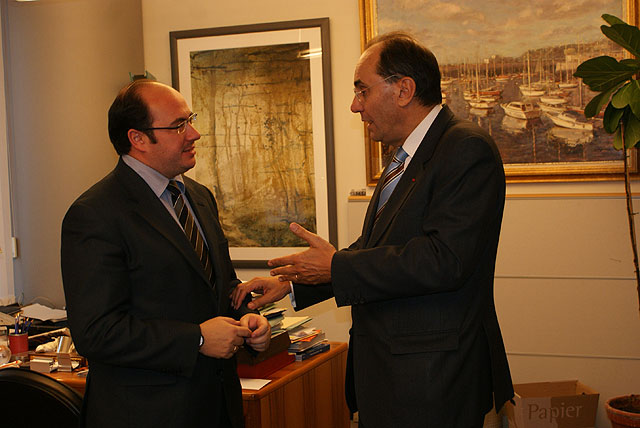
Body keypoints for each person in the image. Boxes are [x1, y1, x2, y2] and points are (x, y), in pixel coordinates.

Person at [233, 32, 513, 428]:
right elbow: (377, 247)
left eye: (362, 91)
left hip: (434, 380)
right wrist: (298, 282)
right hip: (394, 378)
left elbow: (445, 260)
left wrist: (336, 267)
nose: (354, 105)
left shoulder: (465, 148)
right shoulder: (404, 155)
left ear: (403, 90)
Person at [61, 79, 271, 428]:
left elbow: (220, 290)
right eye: (178, 125)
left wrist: (250, 323)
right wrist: (198, 339)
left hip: (217, 406)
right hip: (148, 412)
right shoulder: (96, 213)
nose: (195, 133)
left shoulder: (199, 197)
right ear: (138, 139)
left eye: (190, 119)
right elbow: (96, 332)